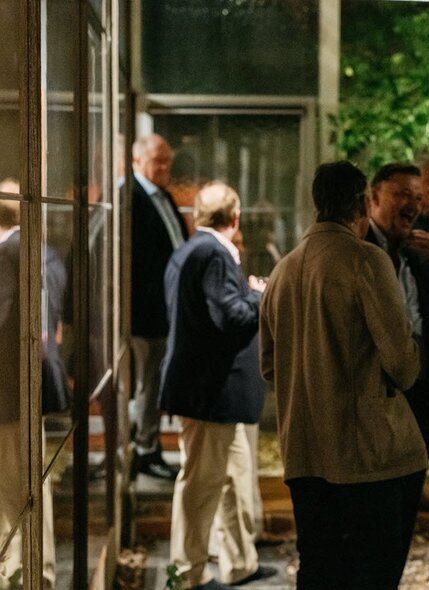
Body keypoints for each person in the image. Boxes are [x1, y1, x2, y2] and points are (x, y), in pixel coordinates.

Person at [260, 161, 426, 590]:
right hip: (366, 457)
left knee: (317, 566)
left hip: (304, 452)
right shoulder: (366, 260)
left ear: (316, 204)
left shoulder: (283, 271)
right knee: (373, 573)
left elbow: (268, 365)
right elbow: (403, 365)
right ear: (363, 204)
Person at [159, 182, 276, 590]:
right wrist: (259, 295)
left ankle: (239, 562)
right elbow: (232, 318)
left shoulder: (189, 250)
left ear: (196, 215)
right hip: (210, 393)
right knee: (201, 485)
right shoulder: (212, 254)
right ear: (236, 217)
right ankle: (185, 574)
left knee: (231, 479)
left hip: (212, 394)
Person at [0, 193, 58, 589]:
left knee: (17, 487)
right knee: (4, 484)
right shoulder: (34, 249)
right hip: (21, 390)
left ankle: (32, 573)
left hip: (8, 392)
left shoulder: (6, 252)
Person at [367, 162, 429, 455]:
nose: (413, 205)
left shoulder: (422, 251)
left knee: (413, 480)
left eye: (417, 198)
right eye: (402, 195)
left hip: (420, 386)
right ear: (374, 197)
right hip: (376, 392)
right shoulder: (358, 250)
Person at [130, 133, 188, 480]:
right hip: (144, 315)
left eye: (168, 160)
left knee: (154, 384)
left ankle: (147, 446)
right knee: (146, 385)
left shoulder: (162, 195)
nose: (165, 167)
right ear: (138, 161)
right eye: (158, 161)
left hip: (165, 312)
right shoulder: (130, 197)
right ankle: (144, 449)